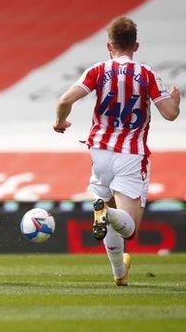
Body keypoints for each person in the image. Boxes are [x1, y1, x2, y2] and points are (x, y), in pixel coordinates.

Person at [53, 17, 180, 286]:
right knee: (129, 227)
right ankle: (106, 212)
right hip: (130, 155)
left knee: (108, 211)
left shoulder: (98, 70)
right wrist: (175, 101)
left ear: (109, 46)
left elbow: (65, 100)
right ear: (136, 45)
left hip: (99, 152)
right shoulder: (146, 74)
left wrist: (60, 122)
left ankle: (119, 273)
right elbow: (169, 115)